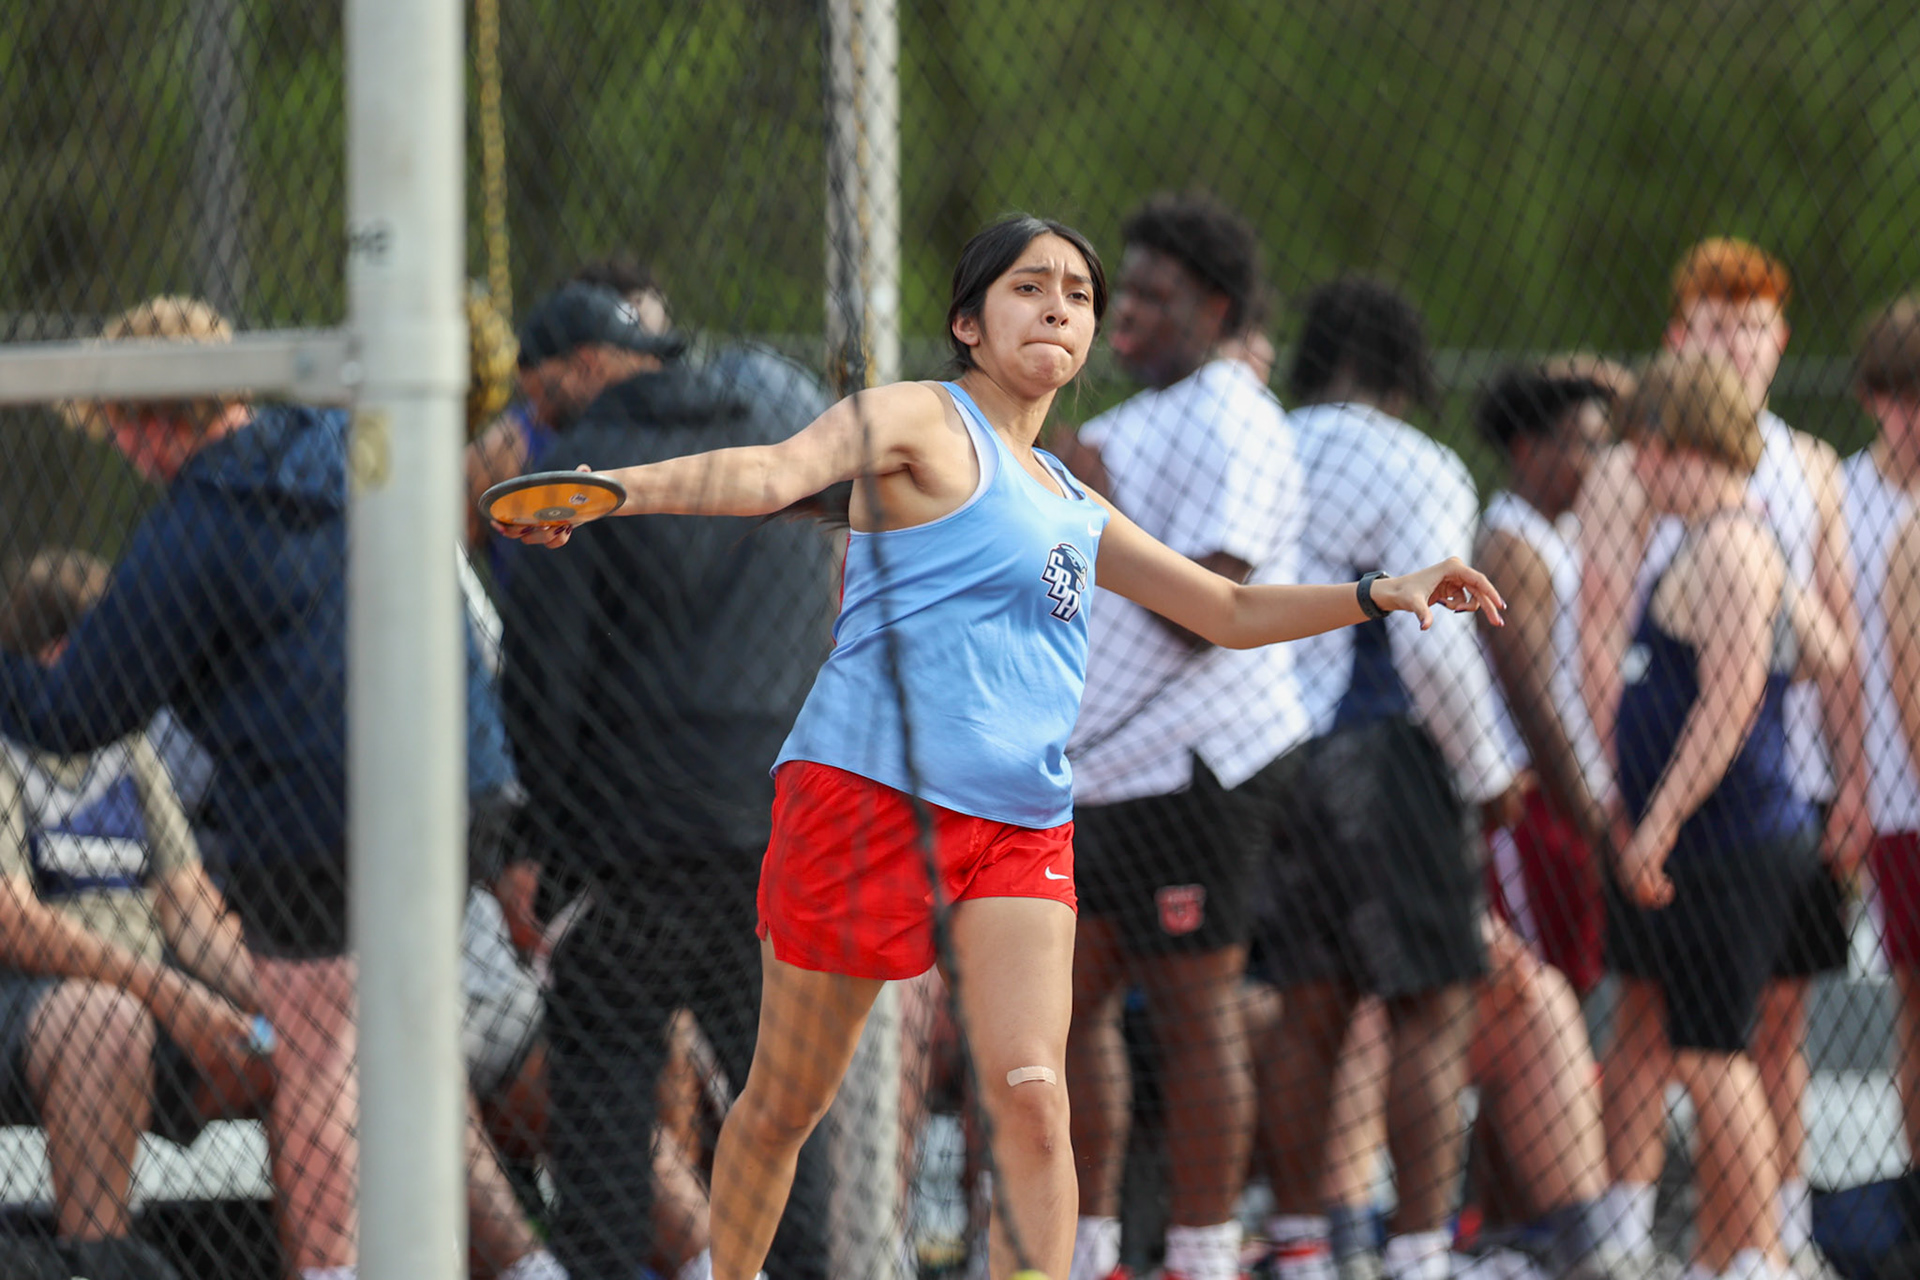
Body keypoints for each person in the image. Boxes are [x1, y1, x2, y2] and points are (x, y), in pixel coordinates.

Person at [494, 215, 1505, 1280]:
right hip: (864, 792)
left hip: (1019, 817)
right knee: (786, 1100)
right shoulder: (926, 420)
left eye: (1078, 290)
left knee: (1033, 1090)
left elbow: (1228, 607)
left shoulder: (1071, 499)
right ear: (968, 322)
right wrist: (614, 488)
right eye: (1031, 286)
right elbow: (772, 472)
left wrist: (1379, 593)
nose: (1060, 303)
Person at [0, 296, 564, 1280]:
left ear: (145, 419)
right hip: (455, 788)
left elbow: (73, 711)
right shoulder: (347, 444)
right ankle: (520, 1265)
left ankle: (337, 1271)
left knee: (318, 1054)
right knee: (399, 1042)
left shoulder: (199, 518)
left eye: (123, 427)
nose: (126, 451)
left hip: (318, 818)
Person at [492, 282, 840, 1280]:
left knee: (603, 1086)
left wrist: (540, 844)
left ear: (588, 364)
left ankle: (603, 1265)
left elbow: (544, 681)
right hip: (775, 822)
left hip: (627, 842)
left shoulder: (574, 471)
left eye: (541, 384)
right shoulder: (781, 426)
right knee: (781, 1095)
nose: (535, 407)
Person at [1579, 240, 1867, 1276]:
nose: (1734, 345)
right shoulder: (1636, 479)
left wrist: (1854, 776)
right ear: (1679, 340)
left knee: (1747, 1031)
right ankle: (1655, 1235)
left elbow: (1815, 651)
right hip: (1685, 802)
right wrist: (1626, 791)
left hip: (1743, 805)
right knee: (1663, 1020)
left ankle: (1765, 1243)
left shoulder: (1791, 481)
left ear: (1779, 342)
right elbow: (1601, 639)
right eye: (1714, 325)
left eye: (1751, 326)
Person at [1247, 276, 1524, 1280]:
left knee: (1308, 1004)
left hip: (1276, 750)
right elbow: (1436, 645)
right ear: (1404, 366)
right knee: (1432, 1004)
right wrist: (1489, 770)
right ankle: (1415, 1251)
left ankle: (1298, 1241)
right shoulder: (1418, 461)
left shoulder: (1265, 443)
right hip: (1389, 745)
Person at [1057, 194, 1308, 1280]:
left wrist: (1101, 507)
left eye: (1156, 295)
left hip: (1198, 763)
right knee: (1061, 1005)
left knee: (1199, 1012)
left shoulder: (1233, 413)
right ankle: (1083, 1246)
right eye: (1128, 288)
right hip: (1096, 768)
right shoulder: (1127, 421)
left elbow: (1219, 607)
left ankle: (1202, 1255)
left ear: (1214, 306)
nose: (1129, 312)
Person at [0, 549, 263, 1280]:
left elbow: (188, 909)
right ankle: (100, 1260)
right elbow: (14, 922)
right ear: (59, 654)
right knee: (104, 1020)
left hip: (154, 992)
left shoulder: (126, 740)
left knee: (312, 1041)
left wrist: (274, 997)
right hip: (33, 1000)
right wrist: (166, 992)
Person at [1474, 368, 1618, 995]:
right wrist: (1586, 811)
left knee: (1574, 989)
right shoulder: (1511, 545)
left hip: (1577, 793)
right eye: (1582, 444)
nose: (1597, 461)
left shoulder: (1564, 533)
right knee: (1538, 995)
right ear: (1528, 448)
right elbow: (1531, 699)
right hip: (1538, 802)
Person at [1845, 296, 1920, 1170]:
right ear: (1871, 396)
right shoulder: (1846, 492)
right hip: (1882, 790)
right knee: (1912, 998)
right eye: (1900, 396)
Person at [465, 258, 679, 552]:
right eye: (634, 344)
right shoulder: (514, 442)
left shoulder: (660, 437)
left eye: (655, 348)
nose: (652, 364)